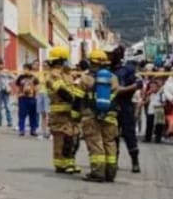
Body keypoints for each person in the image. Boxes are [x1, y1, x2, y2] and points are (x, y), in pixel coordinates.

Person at [79, 49, 120, 182]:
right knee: (110, 142)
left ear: (91, 62)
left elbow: (79, 96)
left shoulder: (86, 78)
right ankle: (110, 173)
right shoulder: (113, 78)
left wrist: (76, 113)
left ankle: (98, 173)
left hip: (91, 115)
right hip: (111, 115)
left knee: (95, 143)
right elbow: (115, 95)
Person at [45, 46, 81, 174]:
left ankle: (70, 162)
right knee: (61, 139)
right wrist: (74, 99)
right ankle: (61, 165)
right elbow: (61, 91)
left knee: (72, 138)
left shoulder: (67, 74)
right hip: (59, 113)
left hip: (70, 112)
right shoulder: (54, 75)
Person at [112, 46, 142, 173]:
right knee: (112, 135)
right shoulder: (108, 69)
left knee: (130, 135)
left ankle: (135, 162)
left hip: (125, 104)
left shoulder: (128, 69)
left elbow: (139, 84)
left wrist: (122, 90)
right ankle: (113, 162)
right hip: (111, 105)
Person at [15, 69, 40, 137]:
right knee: (22, 115)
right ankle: (21, 130)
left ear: (30, 70)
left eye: (26, 69)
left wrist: (36, 96)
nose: (25, 71)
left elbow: (37, 87)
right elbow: (17, 87)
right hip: (22, 98)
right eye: (24, 69)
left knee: (33, 115)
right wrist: (17, 96)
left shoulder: (34, 78)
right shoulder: (20, 77)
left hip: (32, 98)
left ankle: (33, 130)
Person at [0, 61, 13, 128]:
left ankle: (9, 122)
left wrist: (8, 82)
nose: (1, 66)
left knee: (7, 106)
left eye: (2, 64)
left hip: (5, 90)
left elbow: (14, 78)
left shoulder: (6, 71)